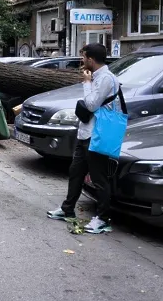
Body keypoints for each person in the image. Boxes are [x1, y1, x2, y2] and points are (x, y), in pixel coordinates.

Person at [46, 43, 119, 234]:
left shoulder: (106, 79)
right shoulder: (96, 77)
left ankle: (103, 219)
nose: (82, 60)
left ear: (91, 60)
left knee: (99, 179)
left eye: (84, 57)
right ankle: (67, 209)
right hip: (85, 133)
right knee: (75, 173)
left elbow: (92, 104)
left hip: (97, 135)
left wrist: (86, 83)